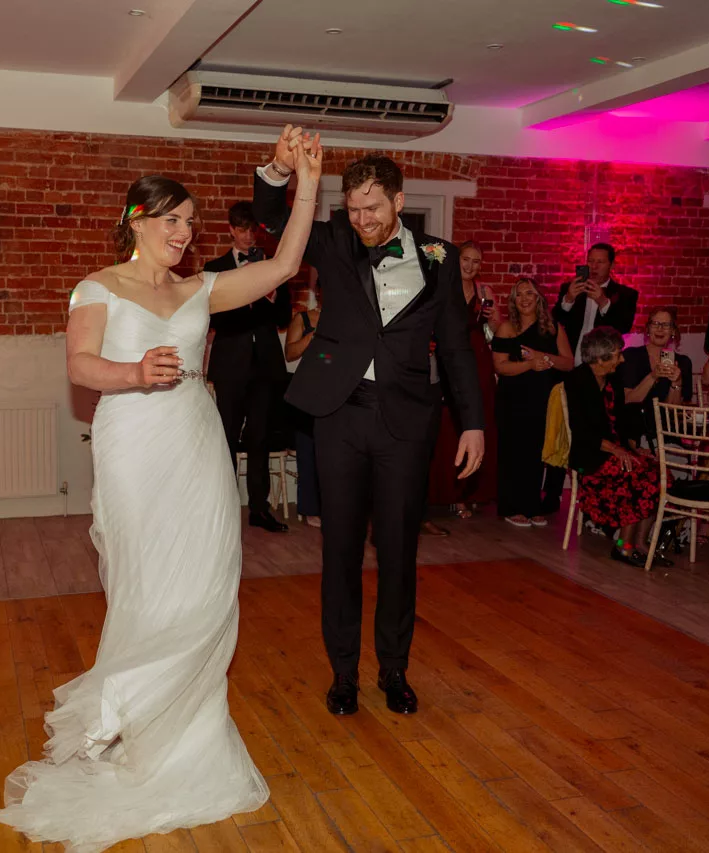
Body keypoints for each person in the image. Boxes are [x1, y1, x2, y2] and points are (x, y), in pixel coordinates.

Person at [0, 138, 323, 849]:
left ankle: (190, 726)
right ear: (136, 219)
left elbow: (287, 265)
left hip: (197, 443)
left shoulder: (200, 289)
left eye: (189, 223)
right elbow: (80, 366)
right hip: (135, 445)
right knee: (146, 584)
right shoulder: (98, 286)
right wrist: (135, 372)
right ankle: (130, 721)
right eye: (171, 220)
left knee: (208, 581)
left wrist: (310, 183)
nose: (183, 234)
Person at [252, 128, 484, 718]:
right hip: (339, 416)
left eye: (373, 208)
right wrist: (280, 171)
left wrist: (474, 423)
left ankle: (395, 670)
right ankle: (344, 674)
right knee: (341, 552)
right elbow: (272, 222)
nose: (362, 220)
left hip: (407, 422)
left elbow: (456, 347)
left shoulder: (440, 258)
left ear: (399, 201)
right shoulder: (331, 242)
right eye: (353, 209)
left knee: (400, 552)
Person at [204, 201, 292, 532]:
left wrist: (269, 296)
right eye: (241, 229)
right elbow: (214, 317)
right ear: (231, 229)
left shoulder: (272, 266)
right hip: (230, 364)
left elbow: (283, 317)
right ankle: (224, 510)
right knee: (225, 436)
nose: (247, 236)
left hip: (266, 365)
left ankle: (259, 509)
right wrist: (244, 289)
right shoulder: (216, 268)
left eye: (252, 230)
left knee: (260, 438)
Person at [545, 242, 637, 512]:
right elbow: (553, 324)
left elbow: (623, 328)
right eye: (590, 261)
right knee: (562, 431)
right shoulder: (570, 288)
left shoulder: (625, 294)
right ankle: (551, 497)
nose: (594, 267)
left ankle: (596, 504)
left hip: (601, 375)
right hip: (570, 370)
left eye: (600, 262)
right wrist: (568, 300)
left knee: (596, 432)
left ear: (611, 265)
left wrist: (603, 302)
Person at [567, 327, 662, 566]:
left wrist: (632, 446)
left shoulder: (612, 379)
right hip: (590, 454)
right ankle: (623, 547)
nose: (622, 359)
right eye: (617, 354)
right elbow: (582, 431)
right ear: (600, 358)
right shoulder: (578, 380)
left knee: (656, 472)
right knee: (633, 474)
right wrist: (617, 450)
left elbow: (621, 419)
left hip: (613, 450)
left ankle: (640, 542)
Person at [493, 277, 573, 527]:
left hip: (543, 399)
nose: (525, 298)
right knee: (514, 452)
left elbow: (568, 363)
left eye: (530, 293)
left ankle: (531, 505)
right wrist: (529, 364)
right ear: (513, 301)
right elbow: (500, 366)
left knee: (537, 452)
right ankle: (511, 506)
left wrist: (543, 357)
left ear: (538, 298)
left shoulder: (553, 328)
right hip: (513, 399)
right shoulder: (506, 328)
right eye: (519, 295)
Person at [427, 241, 498, 518]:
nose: (470, 266)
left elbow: (496, 332)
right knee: (449, 426)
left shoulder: (484, 291)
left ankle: (472, 493)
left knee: (479, 423)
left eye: (476, 261)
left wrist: (492, 320)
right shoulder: (444, 286)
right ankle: (448, 493)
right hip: (451, 356)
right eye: (465, 259)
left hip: (479, 357)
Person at [618, 306, 691, 446]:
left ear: (673, 331)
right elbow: (629, 400)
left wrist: (677, 382)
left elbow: (672, 410)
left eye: (666, 325)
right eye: (655, 324)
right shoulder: (631, 356)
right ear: (648, 329)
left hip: (665, 433)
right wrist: (652, 376)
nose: (660, 329)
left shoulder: (683, 362)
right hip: (635, 432)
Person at [284, 294, 321, 528]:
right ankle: (310, 508)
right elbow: (289, 354)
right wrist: (310, 339)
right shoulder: (303, 318)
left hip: (339, 389)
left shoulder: (346, 316)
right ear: (319, 291)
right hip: (308, 390)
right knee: (308, 451)